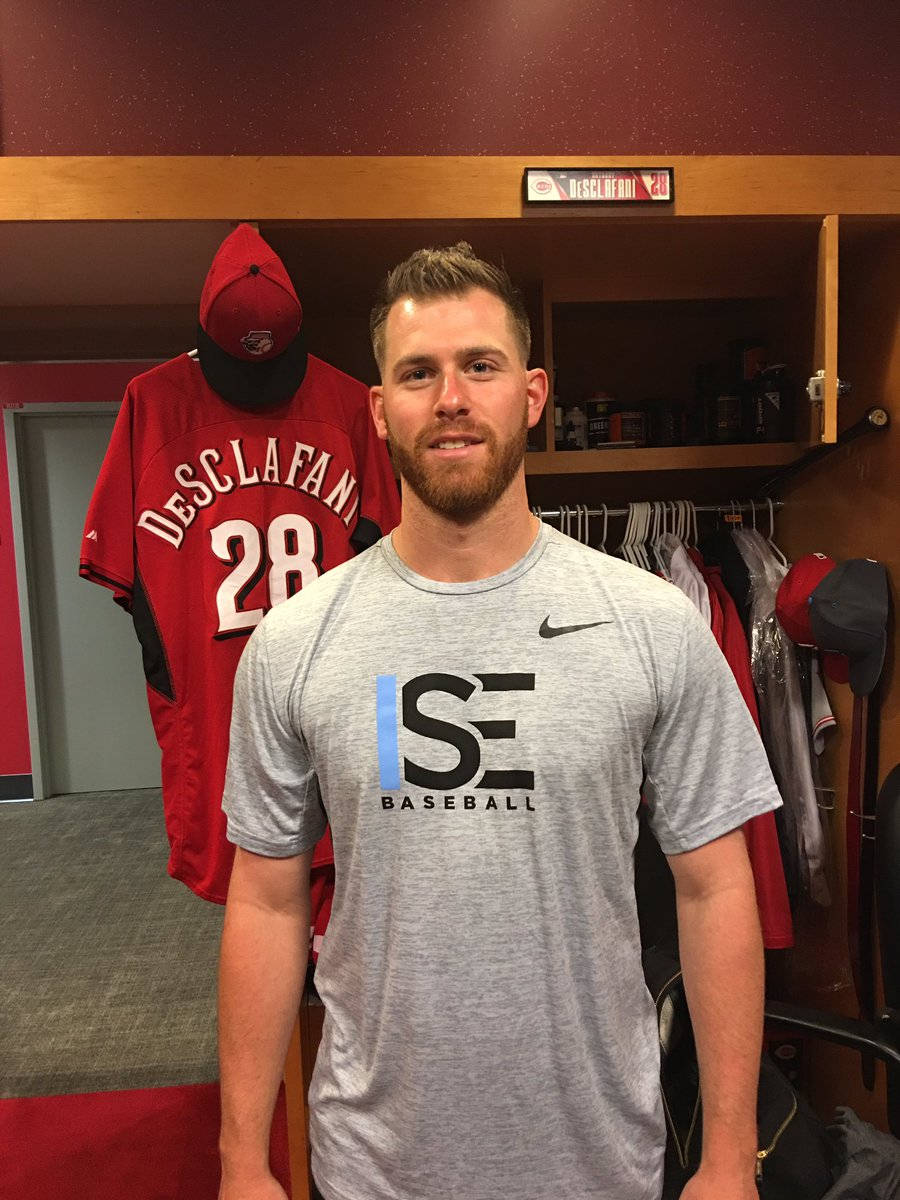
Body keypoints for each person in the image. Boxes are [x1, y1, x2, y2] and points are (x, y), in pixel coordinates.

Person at [217, 242, 780, 1200]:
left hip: (599, 1157)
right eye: (417, 373)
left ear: (531, 393)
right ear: (379, 409)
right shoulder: (296, 641)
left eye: (479, 366)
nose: (450, 398)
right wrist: (242, 1159)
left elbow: (716, 889)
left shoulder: (652, 623)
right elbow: (266, 902)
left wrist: (729, 1156)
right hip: (373, 1163)